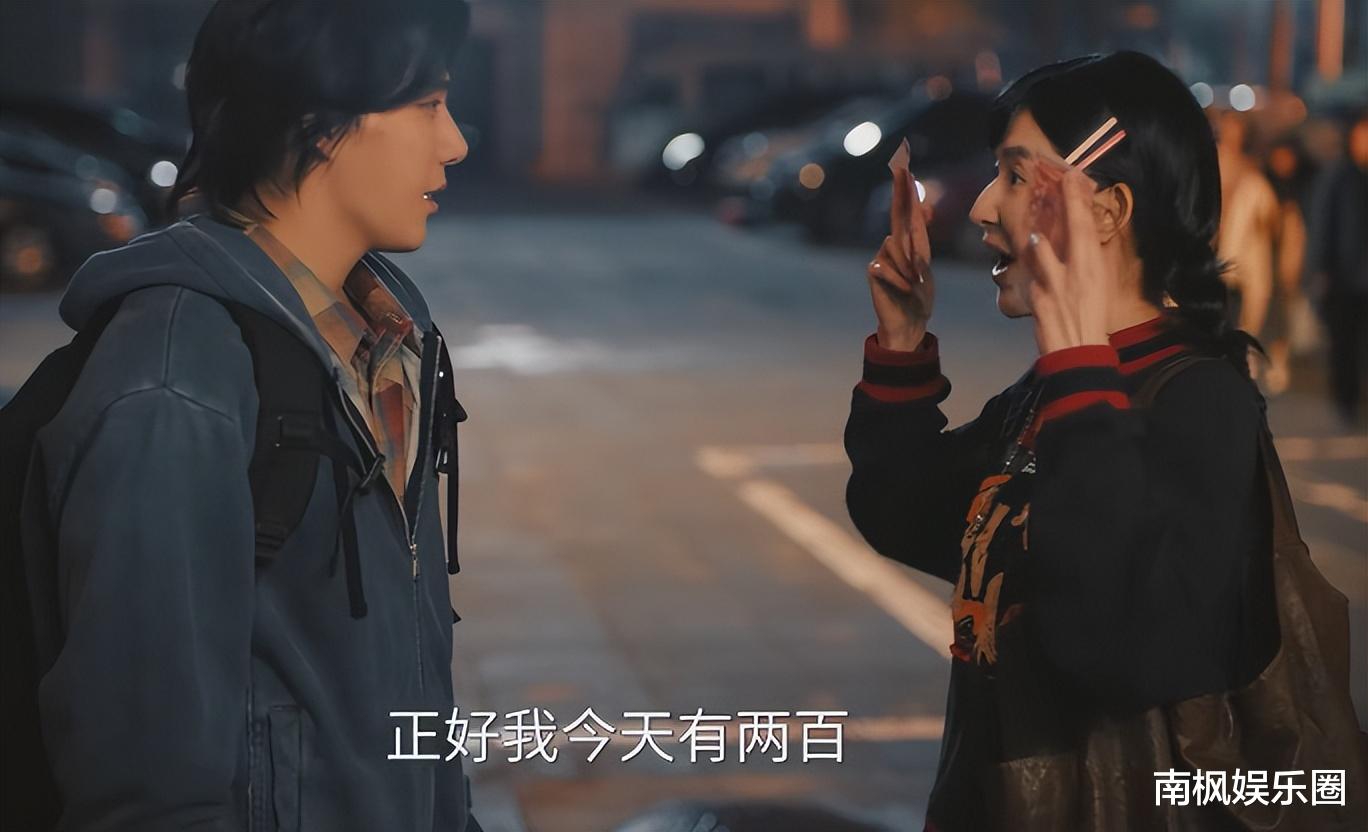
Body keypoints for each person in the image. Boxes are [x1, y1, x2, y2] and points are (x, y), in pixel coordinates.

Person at [845, 52, 1353, 830]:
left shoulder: (1199, 400)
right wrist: (904, 344)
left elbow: (1116, 648)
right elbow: (904, 514)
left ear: (1109, 211)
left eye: (1017, 176)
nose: (982, 205)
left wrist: (1082, 371)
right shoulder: (1050, 390)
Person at [16, 1, 480, 828]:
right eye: (427, 105)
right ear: (317, 121)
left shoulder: (383, 337)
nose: (454, 144)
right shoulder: (174, 385)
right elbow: (148, 791)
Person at [1305, 111, 1368, 426]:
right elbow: (1323, 225)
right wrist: (1320, 269)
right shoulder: (1338, 176)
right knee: (1344, 343)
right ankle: (1346, 402)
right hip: (1344, 276)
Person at [1214, 109, 1282, 386]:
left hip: (1244, 253)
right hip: (1213, 249)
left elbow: (1269, 213)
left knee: (1246, 315)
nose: (1233, 134)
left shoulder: (1251, 167)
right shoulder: (1213, 160)